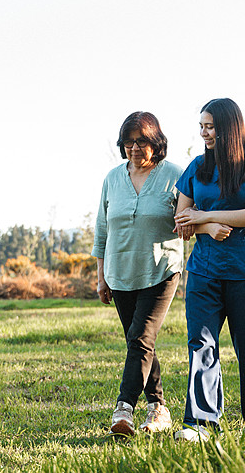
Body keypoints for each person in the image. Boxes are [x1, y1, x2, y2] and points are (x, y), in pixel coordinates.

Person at [172, 98, 245, 442]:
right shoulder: (197, 167)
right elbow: (181, 219)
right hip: (204, 271)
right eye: (201, 126)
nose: (204, 133)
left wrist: (206, 215)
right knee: (201, 345)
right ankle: (201, 424)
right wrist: (205, 226)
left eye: (210, 127)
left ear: (229, 128)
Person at [91, 111, 184, 436]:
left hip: (161, 269)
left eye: (141, 141)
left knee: (141, 338)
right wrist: (101, 276)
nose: (133, 148)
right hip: (120, 272)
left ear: (155, 142)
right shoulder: (112, 179)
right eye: (128, 142)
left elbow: (188, 219)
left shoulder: (175, 176)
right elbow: (102, 230)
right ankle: (158, 408)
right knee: (139, 342)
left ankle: (124, 409)